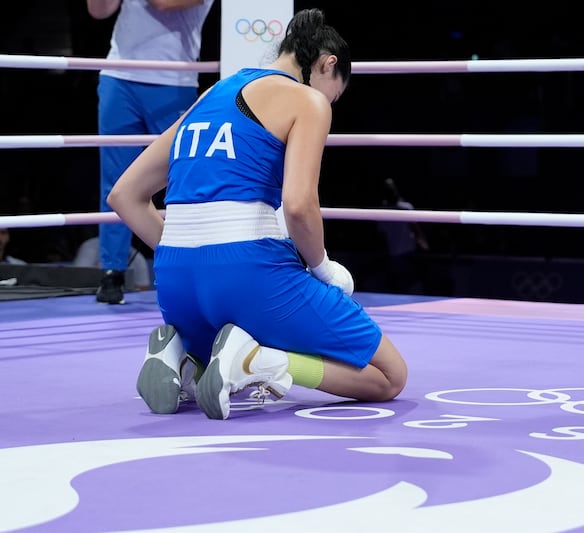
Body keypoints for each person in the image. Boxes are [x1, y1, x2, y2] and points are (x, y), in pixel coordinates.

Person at [107, 8, 408, 420]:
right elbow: (299, 205)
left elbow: (124, 195)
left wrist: (192, 250)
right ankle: (262, 361)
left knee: (226, 328)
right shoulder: (308, 99)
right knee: (389, 376)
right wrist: (323, 267)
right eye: (333, 92)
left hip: (176, 285)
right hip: (249, 273)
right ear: (327, 64)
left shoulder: (208, 97)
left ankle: (183, 356)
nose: (328, 101)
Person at [87, 0, 215, 304]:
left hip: (174, 79)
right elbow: (98, 11)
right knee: (115, 178)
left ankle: (190, 265)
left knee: (184, 178)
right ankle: (112, 272)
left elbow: (165, 3)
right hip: (119, 75)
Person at [376, 178, 430, 294]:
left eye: (392, 189)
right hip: (394, 252)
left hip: (408, 251)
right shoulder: (383, 210)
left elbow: (415, 228)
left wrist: (422, 242)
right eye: (388, 190)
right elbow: (381, 234)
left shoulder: (405, 207)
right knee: (398, 282)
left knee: (410, 279)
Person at [73, 236, 152, 290]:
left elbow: (142, 288)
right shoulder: (90, 247)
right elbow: (77, 279)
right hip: (89, 298)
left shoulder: (137, 258)